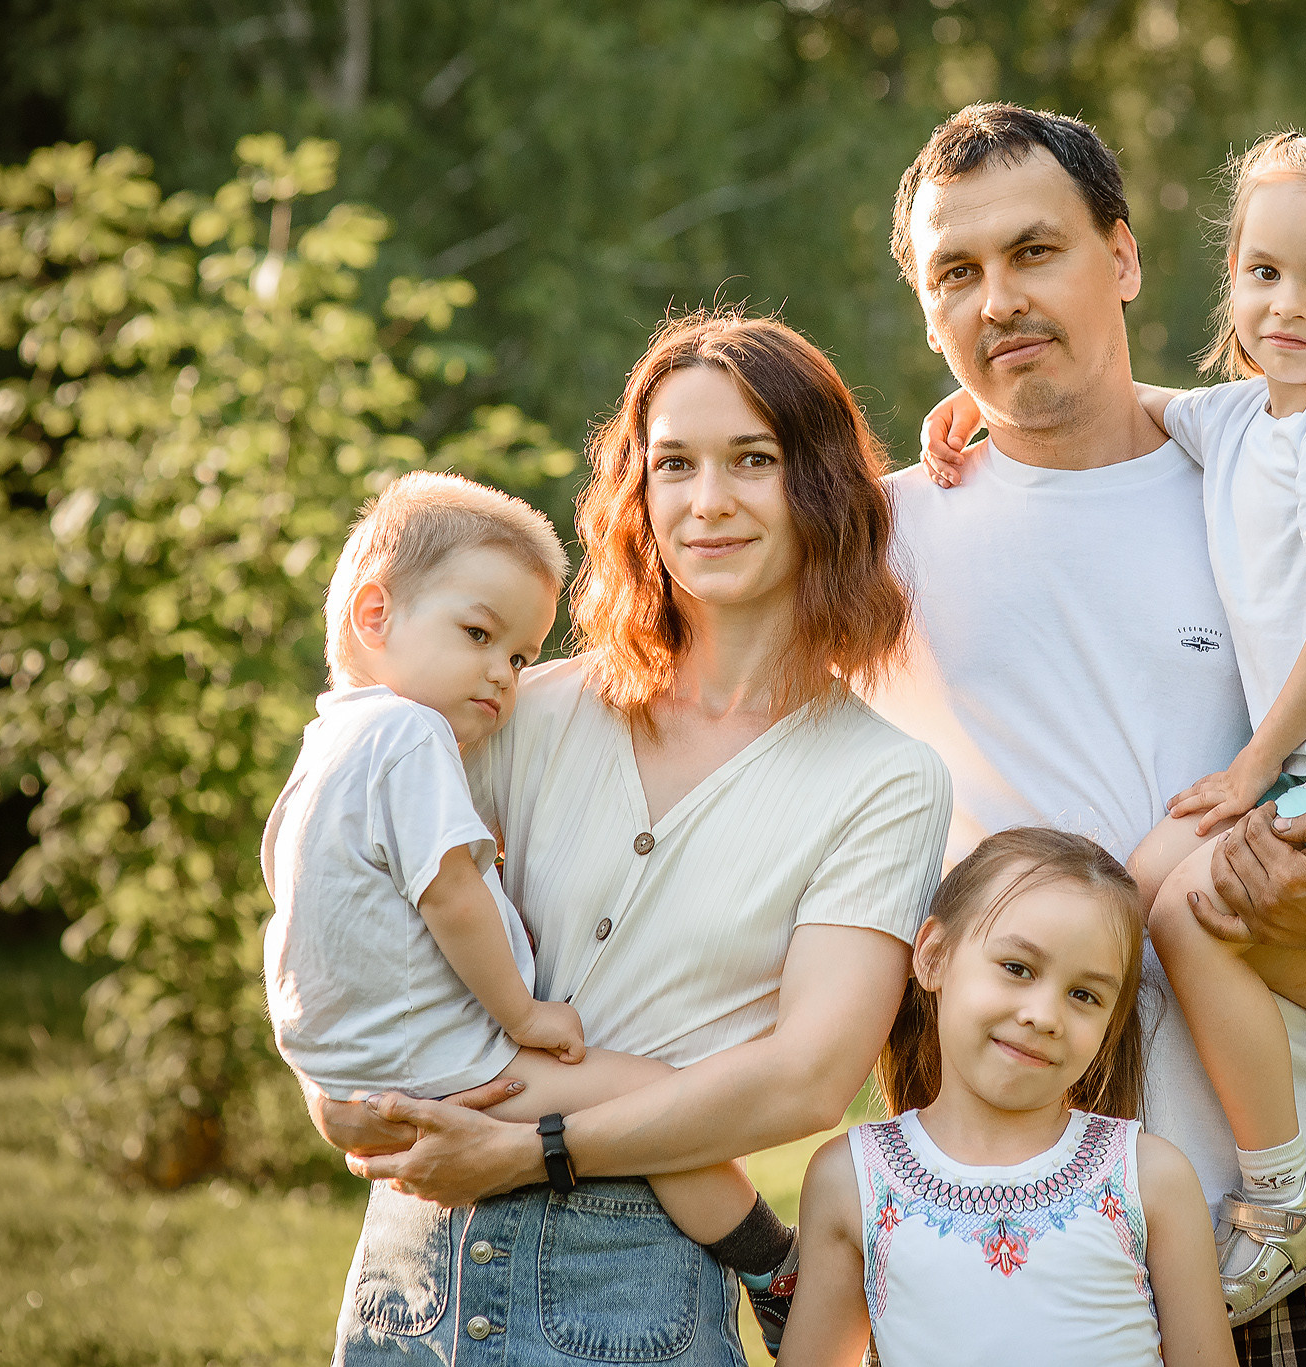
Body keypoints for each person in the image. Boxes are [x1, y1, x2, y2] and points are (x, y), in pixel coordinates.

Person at [866, 104, 1306, 1366]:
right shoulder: (879, 546)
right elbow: (677, 676)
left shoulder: (1279, 475)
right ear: (927, 312)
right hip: (1021, 1230)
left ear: (1124, 258)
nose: (999, 300)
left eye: (1036, 252)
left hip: (1296, 1206)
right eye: (956, 274)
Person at [300, 310, 952, 1365]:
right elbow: (346, 887)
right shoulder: (524, 711)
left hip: (632, 1279)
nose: (708, 501)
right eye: (673, 465)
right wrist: (342, 1087)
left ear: (821, 483)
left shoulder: (882, 777)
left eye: (753, 459)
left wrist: (528, 1148)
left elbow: (803, 1079)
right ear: (637, 497)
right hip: (416, 1267)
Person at [261, 470, 801, 1325]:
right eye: (477, 634)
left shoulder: (327, 750)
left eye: (518, 655)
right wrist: (524, 1015)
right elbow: (454, 897)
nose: (503, 675)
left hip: (356, 1073)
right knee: (661, 1098)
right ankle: (776, 1271)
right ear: (375, 616)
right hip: (452, 1062)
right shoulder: (410, 736)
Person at [780, 828, 1235, 1367]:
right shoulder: (852, 1179)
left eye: (1084, 995)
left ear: (1110, 1024)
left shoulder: (1151, 1178)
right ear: (933, 956)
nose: (1043, 1016)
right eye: (1017, 968)